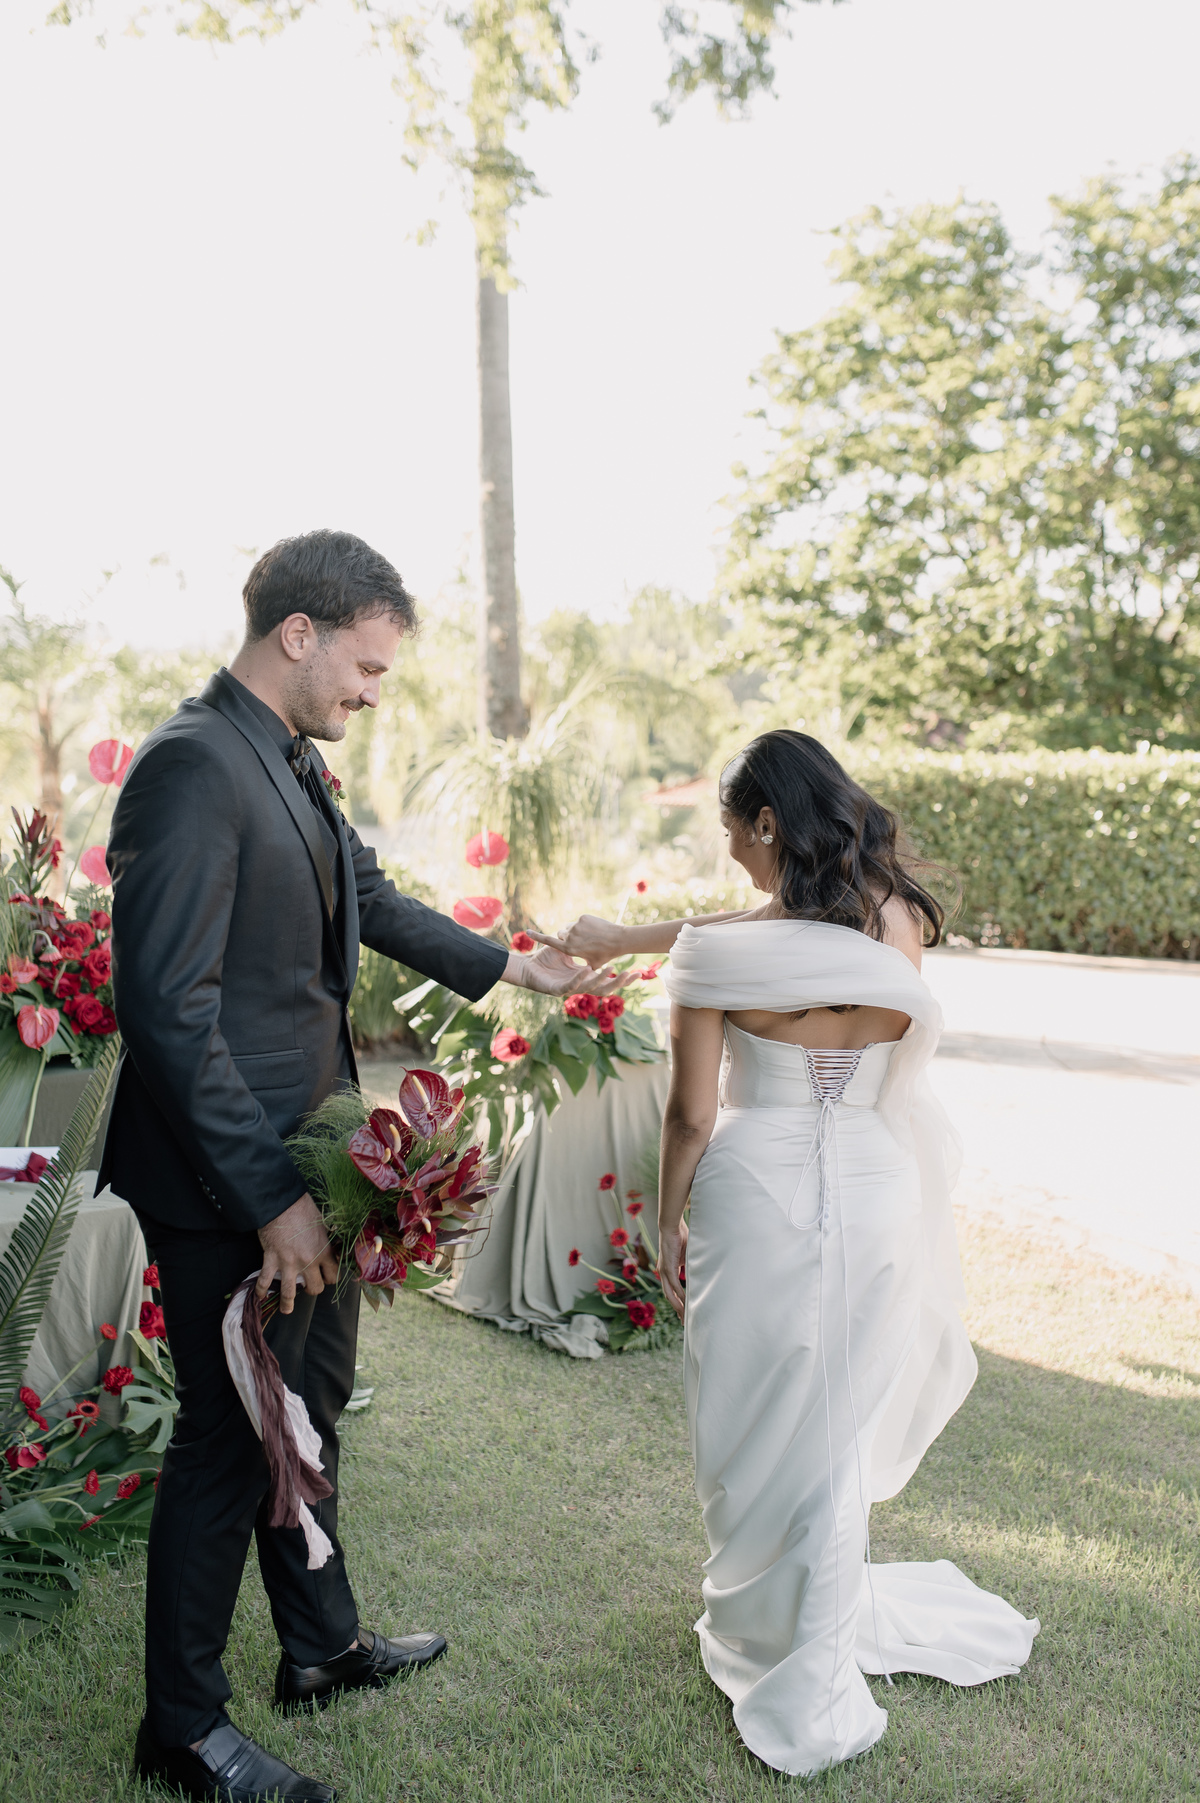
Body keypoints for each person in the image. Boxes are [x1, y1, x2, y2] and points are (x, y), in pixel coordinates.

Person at [100, 530, 619, 1803]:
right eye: (367, 667)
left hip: (312, 1164)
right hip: (232, 1183)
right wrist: (272, 1198)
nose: (374, 692)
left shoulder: (288, 756)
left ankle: (320, 1648)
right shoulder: (190, 766)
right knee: (230, 1441)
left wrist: (514, 965)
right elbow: (168, 1012)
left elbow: (367, 897)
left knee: (311, 1408)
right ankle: (182, 1729)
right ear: (300, 634)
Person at [535, 730, 1038, 1776]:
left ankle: (773, 1625)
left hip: (755, 1189)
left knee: (751, 1408)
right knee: (836, 1417)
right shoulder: (895, 919)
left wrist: (664, 1221)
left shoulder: (723, 958)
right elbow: (765, 930)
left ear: (767, 822)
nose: (728, 857)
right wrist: (627, 936)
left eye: (732, 834)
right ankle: (816, 1614)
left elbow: (689, 1117)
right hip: (876, 1183)